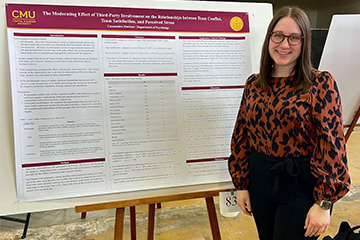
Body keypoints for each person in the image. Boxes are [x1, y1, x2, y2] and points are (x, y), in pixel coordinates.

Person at [228, 6, 351, 240]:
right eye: (278, 35)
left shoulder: (320, 83)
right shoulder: (254, 84)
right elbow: (241, 136)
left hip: (302, 185)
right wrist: (241, 185)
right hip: (260, 181)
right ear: (269, 38)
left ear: (304, 42)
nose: (284, 45)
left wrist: (324, 203)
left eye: (294, 38)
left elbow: (332, 144)